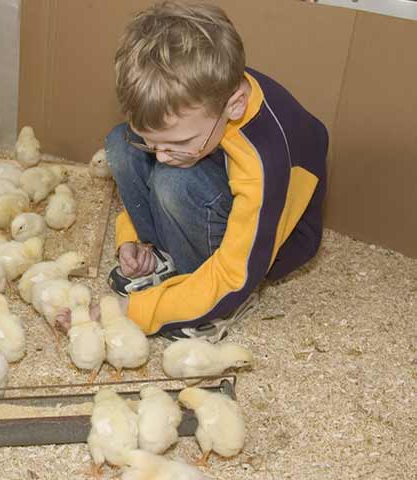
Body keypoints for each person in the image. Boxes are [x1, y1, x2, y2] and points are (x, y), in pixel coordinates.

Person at [103, 1, 328, 342]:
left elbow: (234, 275)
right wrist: (133, 236)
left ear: (235, 106)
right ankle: (164, 254)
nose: (161, 156)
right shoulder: (204, 100)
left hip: (258, 251)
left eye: (178, 141)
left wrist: (131, 311)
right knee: (121, 142)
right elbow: (157, 146)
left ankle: (210, 298)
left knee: (174, 180)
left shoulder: (267, 156)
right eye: (156, 143)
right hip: (214, 174)